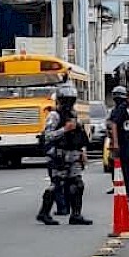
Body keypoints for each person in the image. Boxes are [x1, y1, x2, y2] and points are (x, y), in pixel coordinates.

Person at [35, 85, 92, 226]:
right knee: (56, 184)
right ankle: (44, 212)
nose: (68, 105)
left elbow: (79, 136)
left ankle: (76, 215)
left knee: (78, 184)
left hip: (74, 155)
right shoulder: (54, 116)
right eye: (66, 101)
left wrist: (82, 152)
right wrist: (63, 130)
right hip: (59, 155)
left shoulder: (73, 115)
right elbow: (47, 136)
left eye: (71, 101)